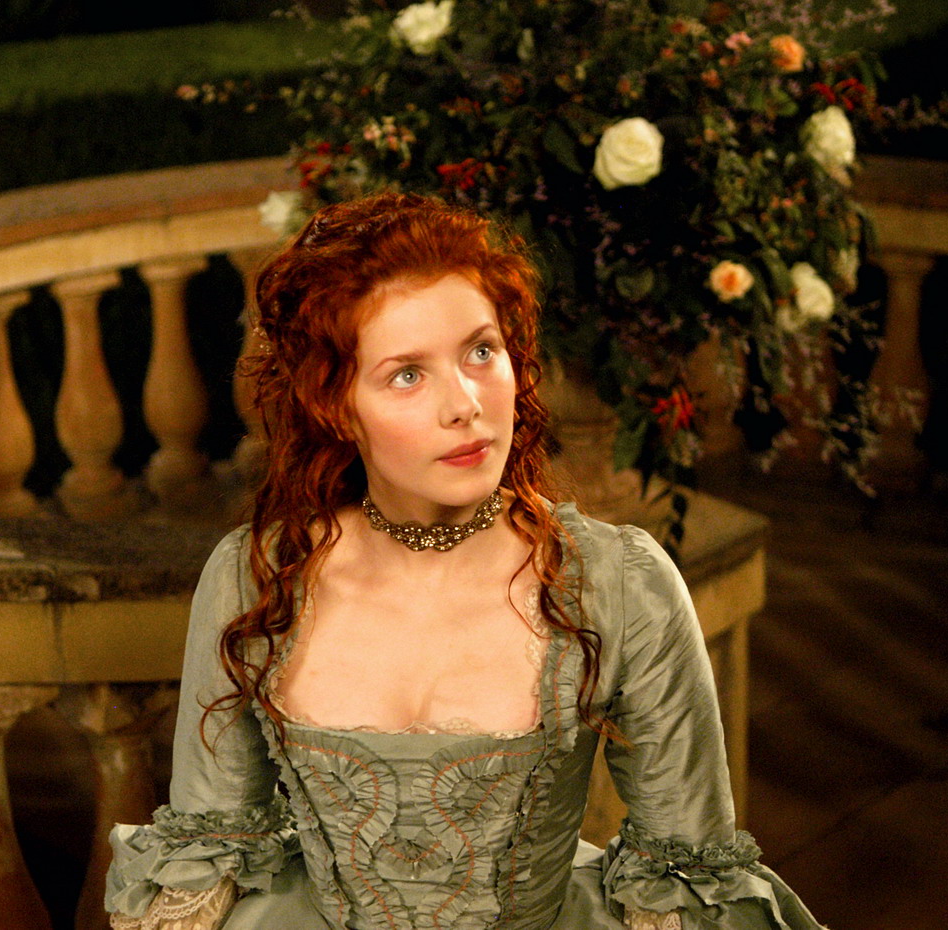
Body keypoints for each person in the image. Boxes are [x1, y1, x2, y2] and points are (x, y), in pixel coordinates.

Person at [105, 193, 824, 930]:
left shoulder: (619, 584)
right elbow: (208, 852)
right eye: (407, 375)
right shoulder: (257, 578)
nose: (465, 405)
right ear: (337, 406)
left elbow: (688, 871)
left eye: (481, 351)